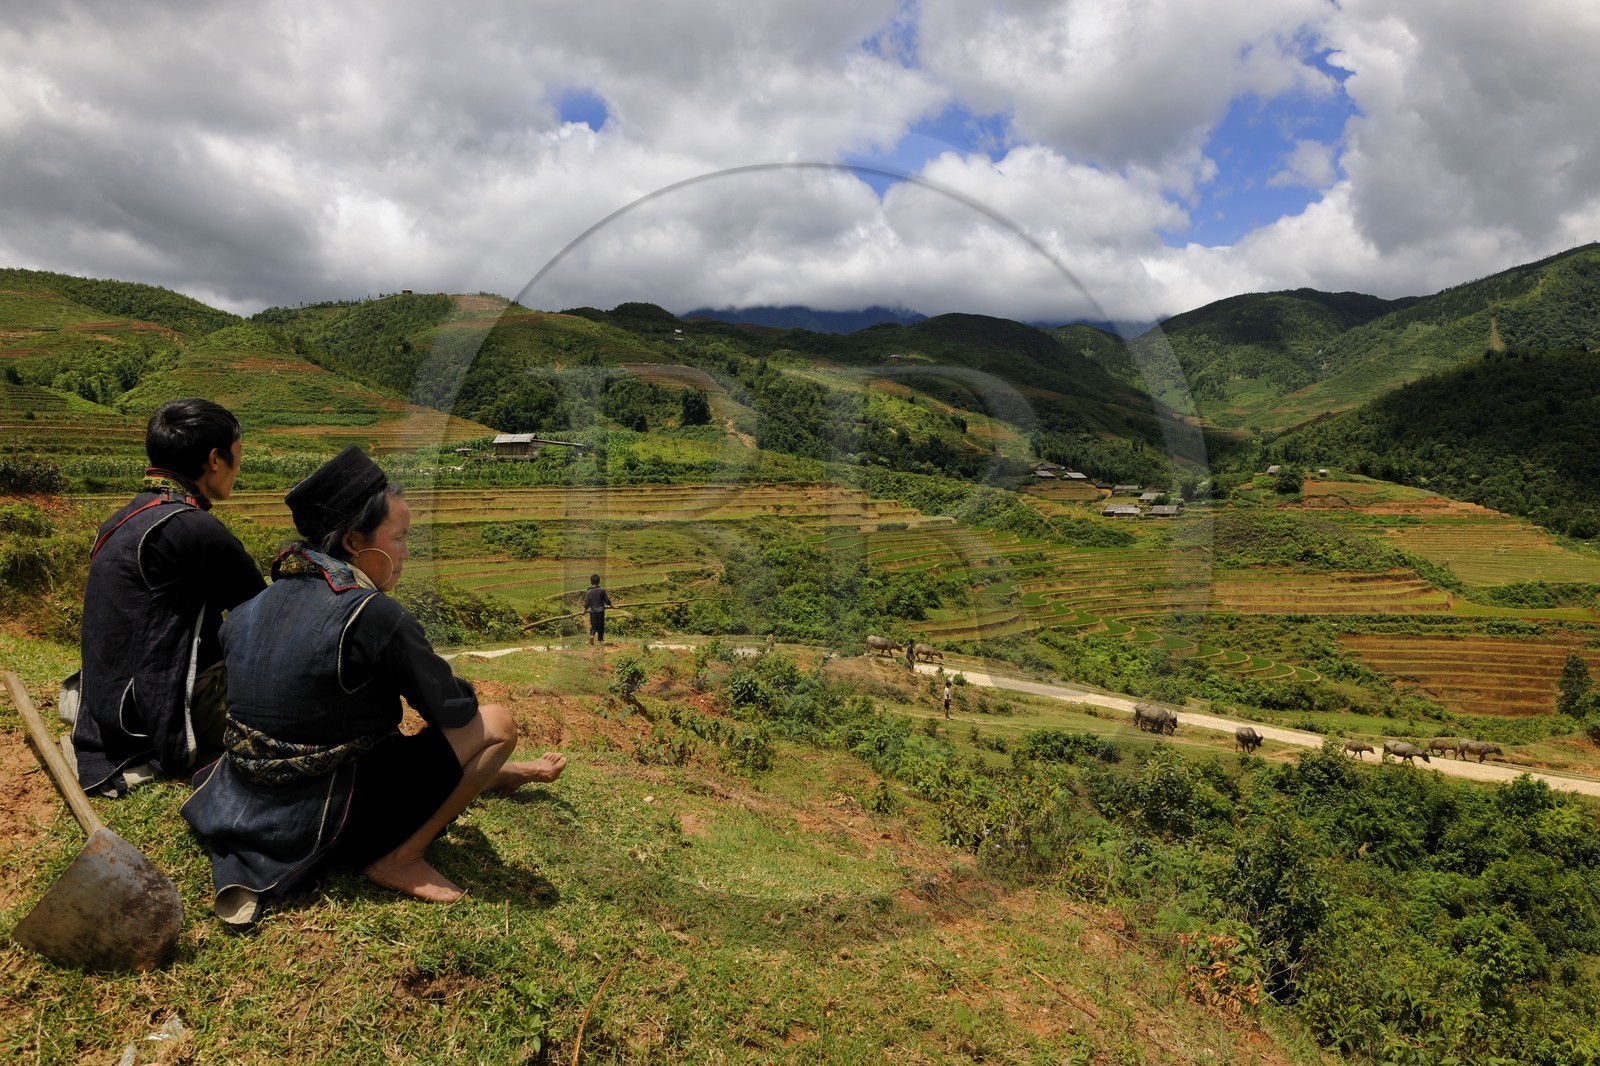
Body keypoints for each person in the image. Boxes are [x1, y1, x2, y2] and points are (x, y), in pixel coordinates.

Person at [181, 445, 567, 924]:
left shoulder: (252, 606)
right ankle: (401, 858)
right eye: (400, 537)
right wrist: (432, 672)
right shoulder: (371, 615)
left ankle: (502, 778)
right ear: (352, 543)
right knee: (498, 723)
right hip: (320, 818)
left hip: (239, 805)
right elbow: (453, 711)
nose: (407, 552)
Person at [70, 399, 266, 797]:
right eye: (238, 455)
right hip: (152, 713)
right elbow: (267, 614)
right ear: (215, 458)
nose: (237, 468)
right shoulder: (193, 528)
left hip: (108, 703)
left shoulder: (123, 519)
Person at [583, 573, 613, 645]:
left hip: (592, 611)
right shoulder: (602, 590)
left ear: (591, 582)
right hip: (600, 610)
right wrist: (612, 605)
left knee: (593, 625)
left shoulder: (588, 591)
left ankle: (592, 635)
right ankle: (600, 640)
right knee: (600, 625)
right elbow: (606, 601)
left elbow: (587, 603)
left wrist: (584, 611)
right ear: (599, 581)